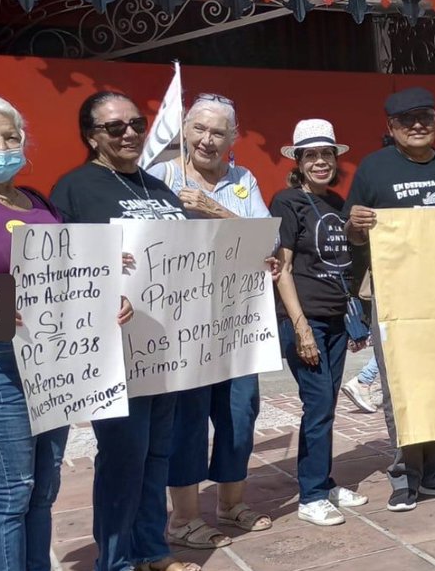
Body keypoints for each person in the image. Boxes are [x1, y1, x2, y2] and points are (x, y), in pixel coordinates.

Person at [0, 93, 129, 571]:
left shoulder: (37, 201)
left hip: (52, 358)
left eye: (11, 136)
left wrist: (105, 290)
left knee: (44, 485)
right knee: (12, 489)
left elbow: (66, 269)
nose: (2, 145)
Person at [49, 91, 194, 571]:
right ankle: (115, 560)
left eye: (136, 122)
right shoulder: (74, 190)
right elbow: (60, 268)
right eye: (115, 127)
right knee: (122, 460)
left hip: (166, 348)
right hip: (112, 352)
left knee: (157, 456)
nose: (130, 133)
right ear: (91, 136)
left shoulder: (160, 189)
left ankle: (153, 549)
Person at [147, 93, 273, 547]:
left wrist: (214, 208)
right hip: (180, 326)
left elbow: (266, 240)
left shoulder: (243, 179)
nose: (207, 139)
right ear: (184, 131)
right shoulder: (158, 176)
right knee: (187, 418)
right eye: (199, 128)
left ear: (233, 137)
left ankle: (231, 503)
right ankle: (183, 518)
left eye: (218, 132)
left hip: (237, 322)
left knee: (240, 412)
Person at [345, 87, 435, 512]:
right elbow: (353, 233)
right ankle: (406, 478)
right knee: (401, 386)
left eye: (425, 117)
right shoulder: (372, 168)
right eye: (407, 120)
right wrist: (357, 224)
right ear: (391, 127)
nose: (418, 126)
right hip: (395, 299)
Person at [270, 119, 369, 526]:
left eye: (326, 154)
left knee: (325, 405)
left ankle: (324, 483)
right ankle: (310, 495)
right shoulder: (287, 202)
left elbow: (347, 261)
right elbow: (282, 268)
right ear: (298, 161)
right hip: (305, 320)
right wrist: (300, 326)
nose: (320, 161)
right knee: (316, 406)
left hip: (335, 319)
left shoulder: (337, 203)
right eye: (311, 155)